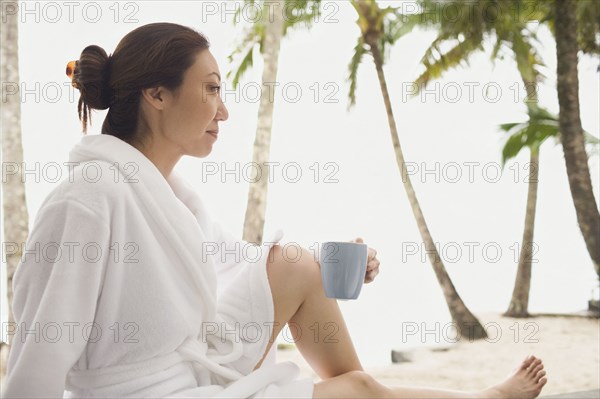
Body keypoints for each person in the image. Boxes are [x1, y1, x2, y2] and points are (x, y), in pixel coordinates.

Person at [2, 22, 548, 398]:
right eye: (212, 89)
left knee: (294, 262)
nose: (225, 110)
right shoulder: (89, 197)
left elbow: (238, 266)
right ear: (157, 94)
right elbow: (40, 350)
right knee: (354, 386)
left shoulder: (169, 196)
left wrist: (339, 264)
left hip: (189, 369)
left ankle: (378, 395)